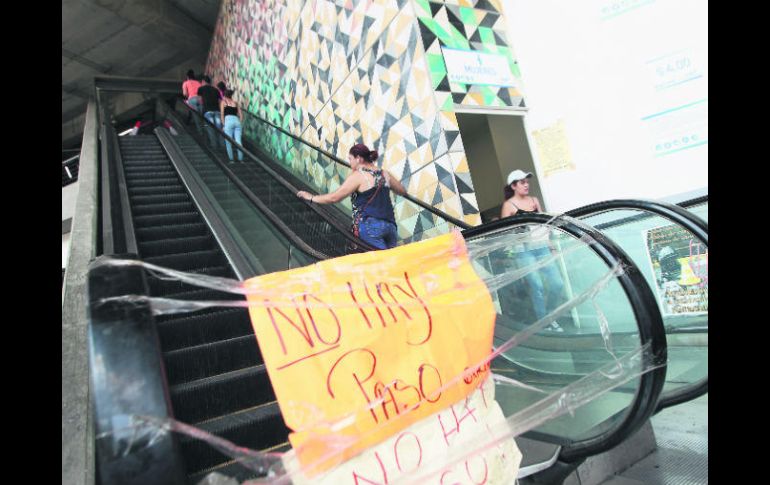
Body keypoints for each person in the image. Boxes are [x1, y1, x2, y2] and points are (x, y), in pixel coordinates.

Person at [296, 143, 406, 250]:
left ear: (358, 158)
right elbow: (402, 191)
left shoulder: (359, 176)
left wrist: (312, 197)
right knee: (390, 262)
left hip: (370, 226)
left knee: (377, 264)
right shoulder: (385, 174)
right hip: (391, 227)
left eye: (350, 159)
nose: (350, 163)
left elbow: (335, 197)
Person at [501, 169, 565, 332]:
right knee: (536, 286)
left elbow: (545, 224)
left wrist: (551, 245)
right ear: (513, 186)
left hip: (542, 247)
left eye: (527, 182)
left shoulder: (534, 200)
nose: (526, 185)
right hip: (524, 252)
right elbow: (505, 232)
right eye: (522, 182)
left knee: (557, 283)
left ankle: (550, 316)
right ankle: (544, 324)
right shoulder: (508, 206)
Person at [197, 75, 223, 148]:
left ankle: (214, 145)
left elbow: (200, 101)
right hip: (217, 111)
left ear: (203, 82)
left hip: (207, 111)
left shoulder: (201, 89)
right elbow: (220, 101)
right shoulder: (216, 90)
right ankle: (222, 145)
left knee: (210, 128)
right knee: (219, 129)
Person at [220, 89, 243, 162]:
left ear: (225, 95)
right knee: (238, 142)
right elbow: (241, 115)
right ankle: (241, 159)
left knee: (228, 142)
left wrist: (224, 125)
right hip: (236, 121)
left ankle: (231, 160)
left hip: (228, 121)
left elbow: (222, 114)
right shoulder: (235, 103)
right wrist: (239, 122)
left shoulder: (223, 102)